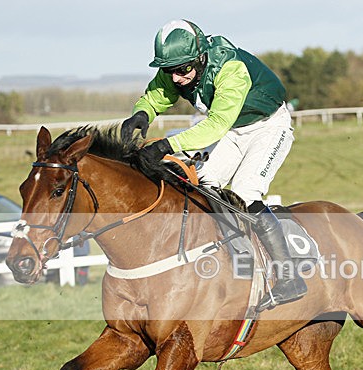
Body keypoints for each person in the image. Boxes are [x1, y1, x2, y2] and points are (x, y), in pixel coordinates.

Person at [121, 19, 306, 311]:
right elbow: (156, 96)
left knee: (245, 192)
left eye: (183, 70)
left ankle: (289, 276)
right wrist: (141, 113)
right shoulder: (177, 66)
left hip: (269, 127)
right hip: (233, 130)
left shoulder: (230, 69)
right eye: (171, 71)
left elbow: (216, 126)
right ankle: (232, 260)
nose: (177, 78)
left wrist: (167, 145)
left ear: (201, 57)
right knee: (203, 186)